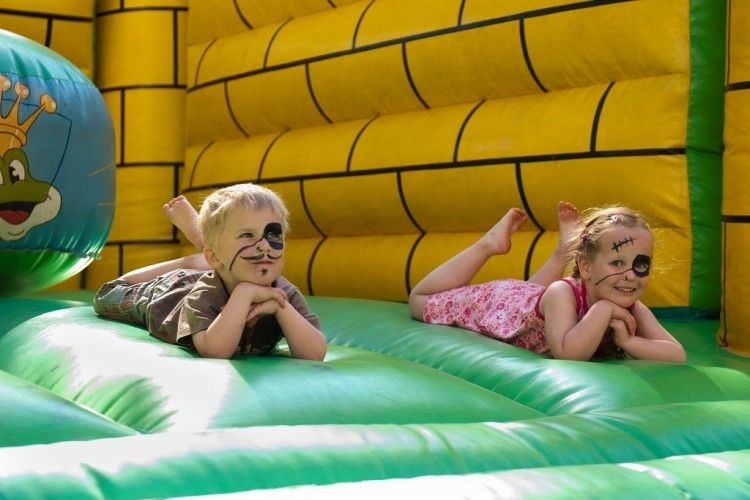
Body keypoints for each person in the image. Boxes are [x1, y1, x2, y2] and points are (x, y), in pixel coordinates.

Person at [409, 201, 686, 362]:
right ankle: (488, 244)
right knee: (418, 301)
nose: (629, 275)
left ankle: (562, 251)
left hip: (530, 300)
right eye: (617, 263)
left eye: (640, 265)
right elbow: (567, 353)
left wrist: (629, 342)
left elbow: (676, 354)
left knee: (532, 292)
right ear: (586, 268)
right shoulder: (562, 294)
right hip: (500, 301)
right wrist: (603, 311)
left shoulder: (633, 307)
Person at [93, 184, 327, 361]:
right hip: (172, 290)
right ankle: (196, 257)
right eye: (247, 235)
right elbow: (216, 350)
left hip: (218, 264)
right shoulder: (204, 295)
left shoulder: (283, 293)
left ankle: (203, 249)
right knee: (108, 293)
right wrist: (244, 293)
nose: (265, 245)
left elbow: (315, 353)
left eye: (273, 234)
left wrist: (279, 307)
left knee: (221, 260)